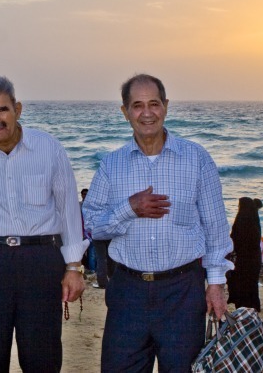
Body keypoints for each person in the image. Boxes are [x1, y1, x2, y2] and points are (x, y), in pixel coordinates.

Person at [82, 73, 233, 373]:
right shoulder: (111, 165)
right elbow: (91, 224)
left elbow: (215, 227)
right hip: (127, 292)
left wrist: (216, 284)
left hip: (182, 292)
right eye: (137, 105)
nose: (147, 113)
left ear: (166, 106)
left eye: (154, 103)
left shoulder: (196, 159)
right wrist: (129, 208)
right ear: (125, 112)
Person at [0, 76, 88, 373]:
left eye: (3, 109)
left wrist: (73, 267)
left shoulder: (49, 149)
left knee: (42, 357)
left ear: (17, 109)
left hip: (40, 262)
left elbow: (68, 210)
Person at [226, 197, 262, 312]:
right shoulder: (254, 220)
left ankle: (242, 306)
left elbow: (235, 239)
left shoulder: (241, 220)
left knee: (241, 283)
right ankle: (253, 306)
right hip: (254, 258)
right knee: (251, 283)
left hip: (242, 259)